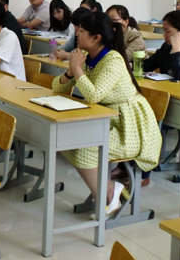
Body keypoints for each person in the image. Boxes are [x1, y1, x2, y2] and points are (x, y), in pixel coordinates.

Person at [53, 12, 161, 216]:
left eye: (81, 30)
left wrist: (77, 68)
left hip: (130, 127)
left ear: (96, 38)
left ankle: (107, 195)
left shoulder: (113, 60)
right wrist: (71, 71)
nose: (77, 33)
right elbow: (56, 87)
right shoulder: (88, 58)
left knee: (84, 149)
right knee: (68, 142)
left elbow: (93, 95)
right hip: (107, 119)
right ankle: (107, 190)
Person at [143, 10, 180, 82]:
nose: (164, 35)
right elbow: (147, 65)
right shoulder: (167, 46)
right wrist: (131, 65)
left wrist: (176, 47)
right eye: (164, 31)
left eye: (168, 31)